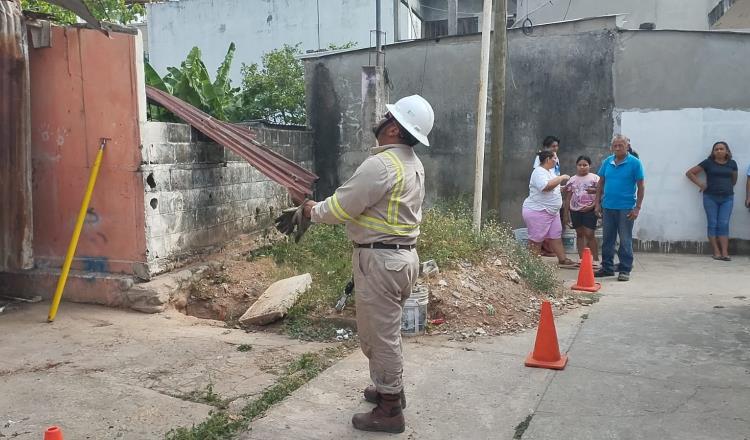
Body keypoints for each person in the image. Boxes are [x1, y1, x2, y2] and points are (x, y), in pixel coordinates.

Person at [300, 95, 434, 434]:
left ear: (392, 128)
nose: (380, 118)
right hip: (402, 259)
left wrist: (311, 210)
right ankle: (389, 388)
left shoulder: (382, 165)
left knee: (381, 335)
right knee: (382, 330)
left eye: (386, 115)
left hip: (380, 259)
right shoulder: (413, 163)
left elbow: (340, 208)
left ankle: (390, 409)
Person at [594, 134, 645, 282]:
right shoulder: (607, 162)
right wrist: (597, 203)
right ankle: (607, 268)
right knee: (608, 239)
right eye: (615, 145)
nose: (617, 148)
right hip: (608, 207)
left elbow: (641, 186)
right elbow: (600, 183)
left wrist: (637, 208)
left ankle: (624, 269)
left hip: (626, 208)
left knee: (625, 239)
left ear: (627, 146)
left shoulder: (635, 163)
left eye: (620, 145)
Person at [522, 150, 577, 267]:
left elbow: (553, 187)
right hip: (539, 211)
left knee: (555, 236)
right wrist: (562, 177)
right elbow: (545, 187)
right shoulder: (538, 172)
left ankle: (562, 259)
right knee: (536, 240)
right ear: (548, 159)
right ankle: (532, 265)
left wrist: (562, 188)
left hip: (552, 212)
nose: (556, 160)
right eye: (555, 158)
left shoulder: (550, 172)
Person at [685, 141, 738, 261]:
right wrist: (701, 184)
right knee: (712, 223)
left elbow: (734, 180)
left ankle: (725, 253)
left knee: (723, 224)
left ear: (727, 151)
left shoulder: (732, 163)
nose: (719, 151)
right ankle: (716, 252)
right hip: (710, 197)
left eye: (721, 149)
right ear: (713, 152)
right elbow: (690, 173)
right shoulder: (708, 163)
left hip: (727, 198)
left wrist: (725, 187)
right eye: (716, 149)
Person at [564, 155, 600, 265]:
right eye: (580, 165)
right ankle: (582, 259)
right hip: (575, 210)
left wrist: (593, 206)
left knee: (589, 234)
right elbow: (568, 197)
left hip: (590, 209)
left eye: (585, 165)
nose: (582, 167)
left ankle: (595, 259)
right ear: (576, 166)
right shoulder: (572, 180)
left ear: (589, 166)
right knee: (579, 233)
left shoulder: (595, 178)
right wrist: (566, 214)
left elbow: (600, 193)